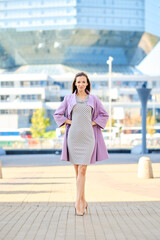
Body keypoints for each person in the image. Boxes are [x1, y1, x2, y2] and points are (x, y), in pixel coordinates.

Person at [54, 72, 109, 216]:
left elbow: (104, 114)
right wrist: (69, 121)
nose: (81, 84)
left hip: (88, 137)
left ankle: (78, 204)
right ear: (75, 83)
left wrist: (92, 122)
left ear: (87, 83)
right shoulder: (68, 98)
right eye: (78, 82)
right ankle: (83, 200)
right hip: (73, 137)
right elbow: (57, 115)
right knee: (77, 171)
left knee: (83, 170)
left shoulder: (94, 99)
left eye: (83, 82)